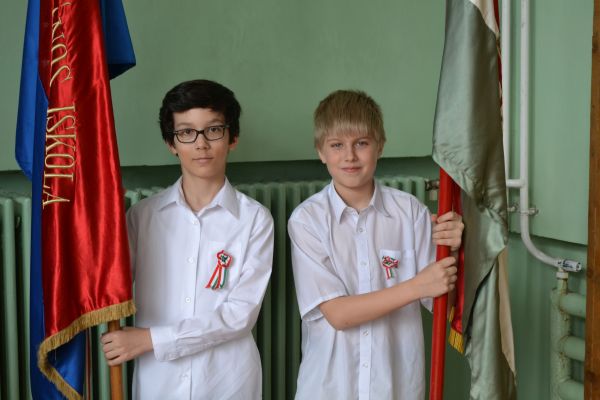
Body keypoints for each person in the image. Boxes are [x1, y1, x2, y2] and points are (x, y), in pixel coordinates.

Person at [101, 79, 274, 400]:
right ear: (171, 143)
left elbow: (239, 315)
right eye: (186, 133)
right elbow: (108, 285)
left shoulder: (255, 220)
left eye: (213, 130)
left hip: (226, 382)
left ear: (233, 137)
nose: (201, 144)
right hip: (159, 382)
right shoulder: (142, 217)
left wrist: (151, 340)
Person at [288, 90, 463, 400]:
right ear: (321, 151)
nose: (350, 156)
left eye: (362, 143)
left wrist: (456, 250)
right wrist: (417, 286)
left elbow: (441, 301)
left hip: (395, 386)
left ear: (380, 146)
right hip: (330, 388)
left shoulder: (410, 213)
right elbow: (338, 315)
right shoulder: (307, 220)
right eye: (337, 145)